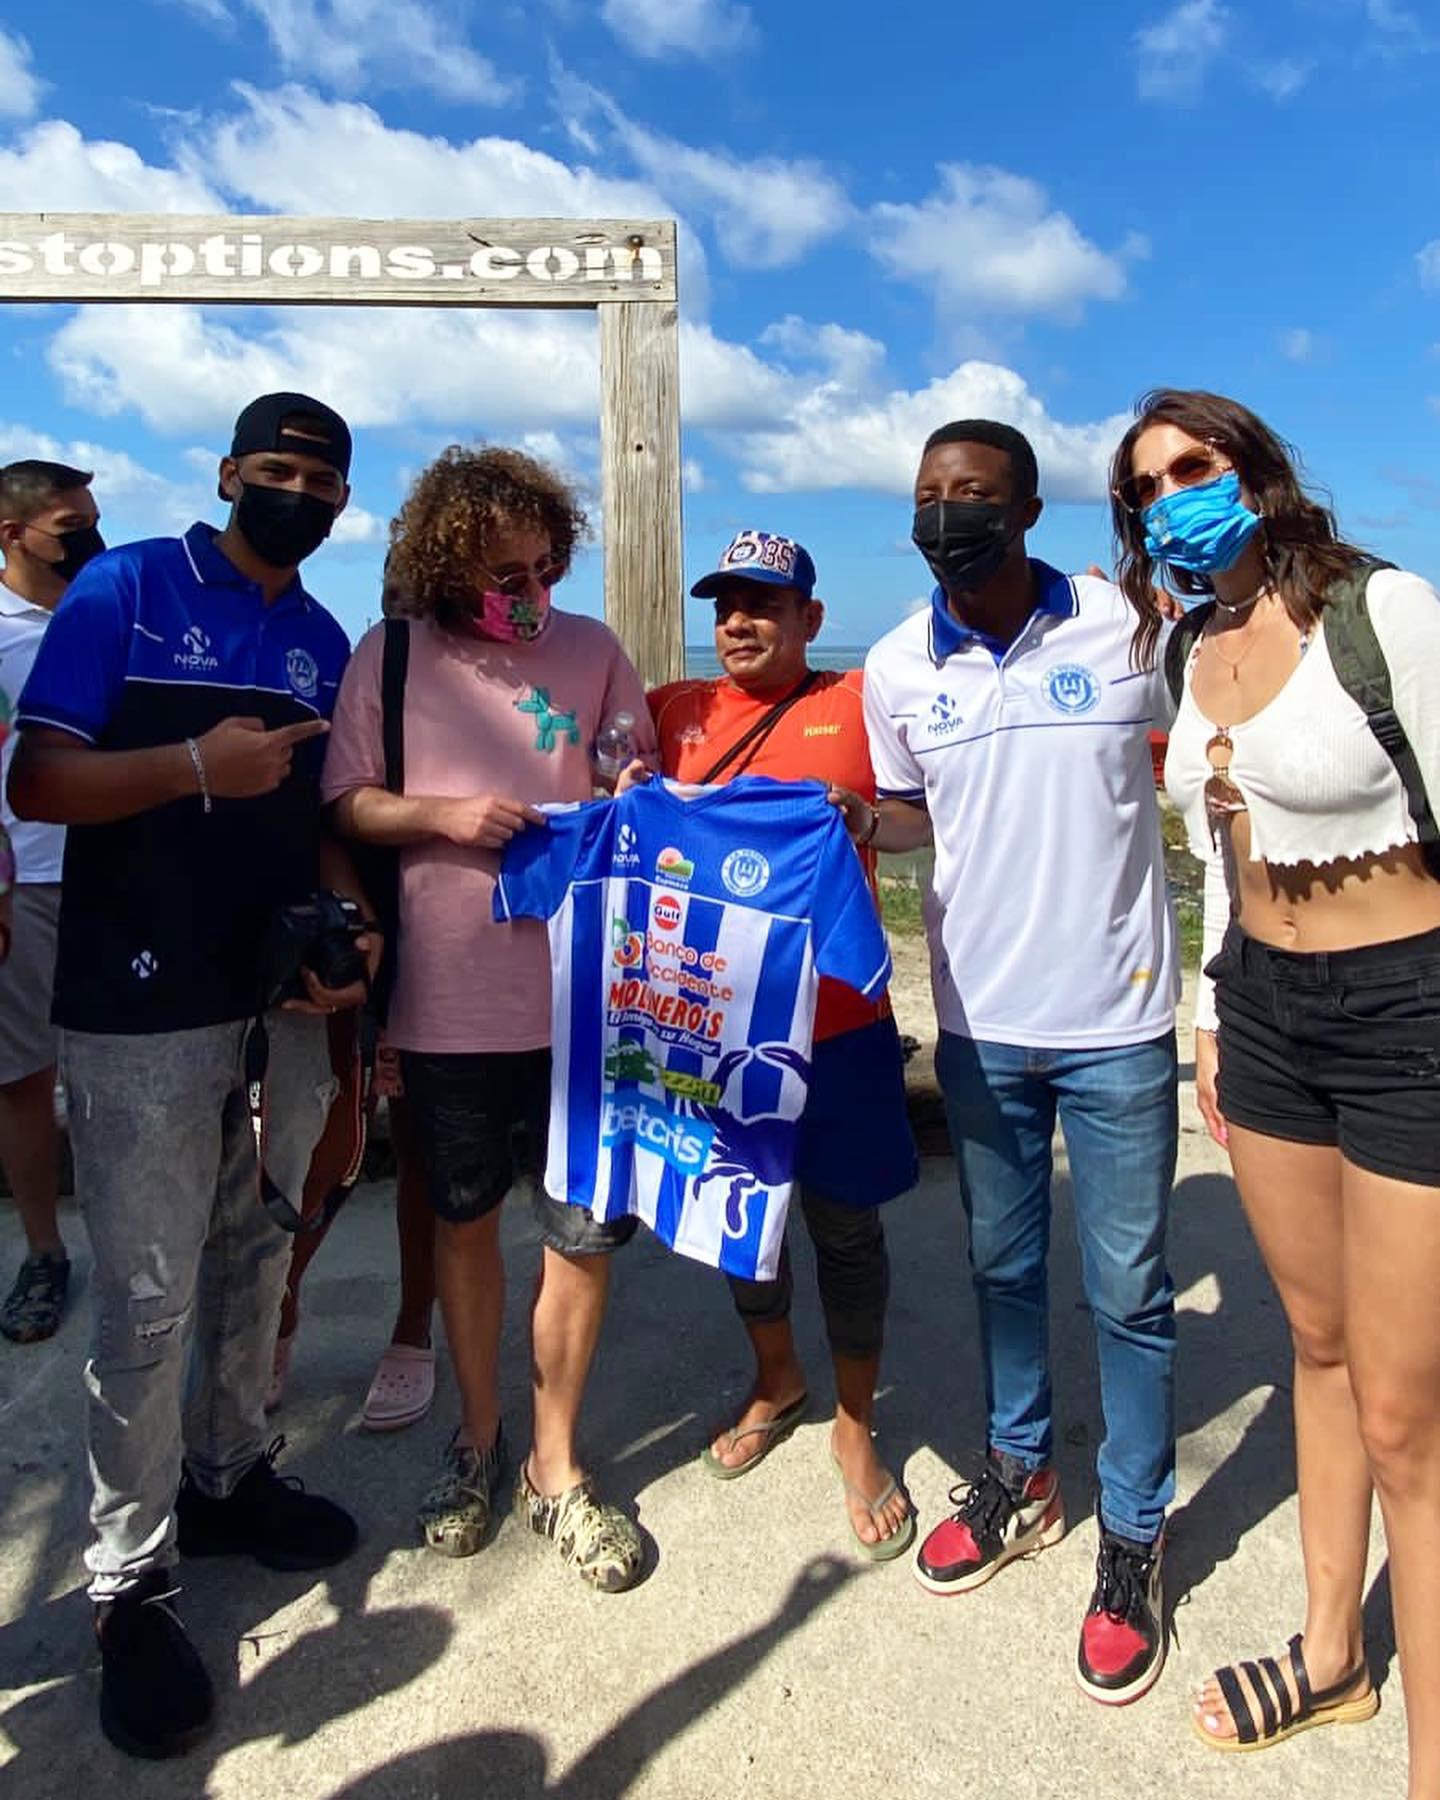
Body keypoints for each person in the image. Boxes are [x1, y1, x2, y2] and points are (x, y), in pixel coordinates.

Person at [8, 392, 373, 1761]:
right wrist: (192, 768)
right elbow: (40, 784)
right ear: (227, 474)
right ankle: (128, 1582)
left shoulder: (324, 638)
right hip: (137, 1002)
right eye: (276, 470)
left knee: (253, 1255)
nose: (298, 495)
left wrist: (349, 926)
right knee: (148, 1299)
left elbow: (320, 819)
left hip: (272, 1000)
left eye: (322, 482)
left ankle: (227, 1476)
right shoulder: (127, 588)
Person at [1113, 388, 1440, 1790]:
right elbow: (1218, 859)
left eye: (1193, 466)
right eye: (1145, 488)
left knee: (1407, 1413)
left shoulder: (1385, 612)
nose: (1172, 497)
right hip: (1262, 1014)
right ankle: (1332, 1656)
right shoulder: (1190, 648)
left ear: (1253, 472)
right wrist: (1209, 1020)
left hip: (1409, 1010)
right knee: (1319, 1347)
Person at [861, 420, 1180, 1705]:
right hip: (981, 1023)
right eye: (930, 495)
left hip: (1120, 1021)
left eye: (974, 494)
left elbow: (1219, 742)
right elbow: (908, 813)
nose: (948, 514)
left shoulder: (1127, 626)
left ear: (1030, 510)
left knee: (1131, 1292)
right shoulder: (895, 664)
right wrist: (850, 820)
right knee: (1001, 1268)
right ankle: (1020, 1474)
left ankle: (1134, 1534)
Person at [322, 445, 656, 1590]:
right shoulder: (390, 654)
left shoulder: (595, 650)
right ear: (445, 565)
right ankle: (478, 1436)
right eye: (505, 573)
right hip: (449, 1005)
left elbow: (629, 772)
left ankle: (556, 1468)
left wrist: (625, 788)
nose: (532, 590)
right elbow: (345, 804)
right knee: (463, 1227)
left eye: (546, 565)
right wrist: (444, 816)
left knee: (582, 1239)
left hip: (585, 1002)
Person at [637, 529, 918, 1558]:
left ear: (811, 617)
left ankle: (856, 1424)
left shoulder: (861, 703)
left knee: (846, 1229)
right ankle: (777, 1377)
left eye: (763, 604)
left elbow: (926, 814)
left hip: (839, 1023)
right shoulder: (672, 710)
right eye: (725, 607)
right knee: (741, 1218)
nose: (738, 624)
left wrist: (865, 820)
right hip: (713, 1029)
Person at [0, 460, 105, 1344]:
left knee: (127, 1076)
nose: (91, 540)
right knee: (24, 1077)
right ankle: (43, 1250)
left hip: (119, 872)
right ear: (13, 535)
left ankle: (148, 1247)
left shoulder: (110, 616)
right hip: (23, 883)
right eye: (73, 527)